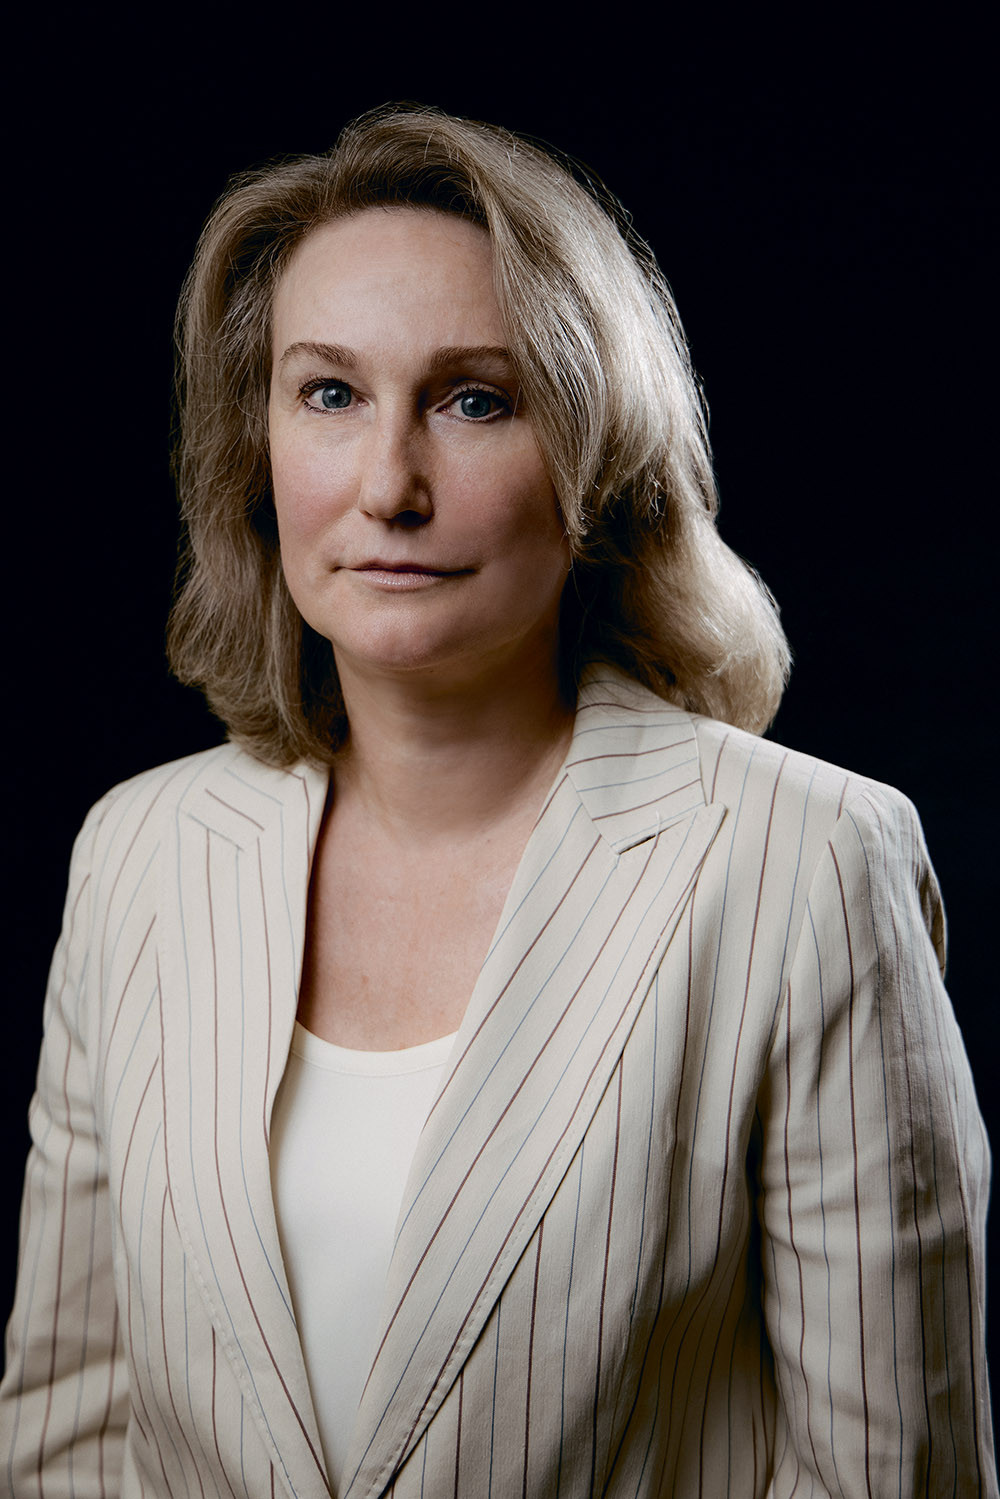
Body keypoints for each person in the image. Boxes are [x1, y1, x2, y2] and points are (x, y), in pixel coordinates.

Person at [1, 104, 993, 1499]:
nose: (389, 487)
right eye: (329, 395)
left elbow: (892, 1476)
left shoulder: (809, 859)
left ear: (598, 458)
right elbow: (68, 1441)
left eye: (476, 400)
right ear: (256, 447)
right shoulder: (138, 855)